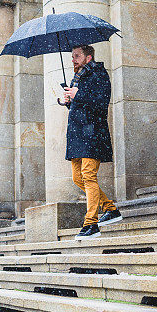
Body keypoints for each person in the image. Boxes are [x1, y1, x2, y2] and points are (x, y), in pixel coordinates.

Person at [60, 45, 122, 239]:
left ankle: (91, 223)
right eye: (72, 56)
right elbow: (81, 104)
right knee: (77, 178)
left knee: (88, 176)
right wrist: (69, 101)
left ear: (88, 57)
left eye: (77, 56)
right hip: (78, 134)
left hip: (92, 132)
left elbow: (102, 102)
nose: (73, 59)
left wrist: (79, 95)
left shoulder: (99, 74)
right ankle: (110, 208)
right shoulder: (78, 76)